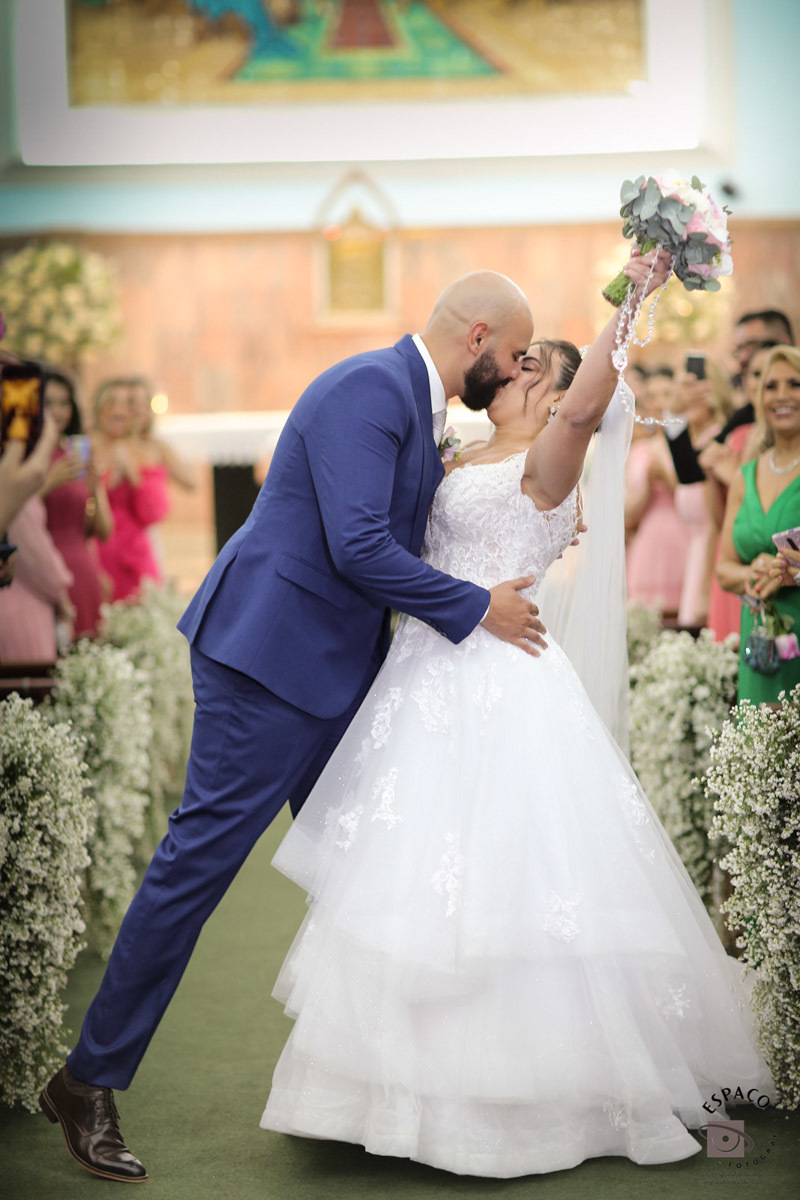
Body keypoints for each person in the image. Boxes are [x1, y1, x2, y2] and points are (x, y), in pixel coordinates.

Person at [259, 250, 773, 1176]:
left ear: (563, 396)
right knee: (409, 885)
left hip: (502, 681)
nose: (517, 368)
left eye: (536, 364)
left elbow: (584, 407)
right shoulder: (457, 454)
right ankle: (378, 1096)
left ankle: (524, 1095)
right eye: (518, 356)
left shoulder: (550, 462)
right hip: (421, 681)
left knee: (510, 884)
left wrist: (633, 295)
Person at [40, 271, 548, 1183]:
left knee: (373, 867)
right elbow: (359, 545)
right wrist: (477, 607)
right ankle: (87, 1080)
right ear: (477, 336)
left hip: (335, 667)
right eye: (512, 355)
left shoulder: (416, 401)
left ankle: (376, 1088)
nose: (512, 372)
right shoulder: (370, 387)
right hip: (269, 659)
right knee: (198, 866)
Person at [717, 345, 800, 705]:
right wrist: (751, 572)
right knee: (757, 732)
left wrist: (792, 572)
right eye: (771, 386)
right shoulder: (745, 476)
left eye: (794, 384)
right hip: (758, 642)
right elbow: (724, 569)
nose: (782, 395)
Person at [39, 370, 112, 637]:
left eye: (64, 403)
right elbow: (16, 516)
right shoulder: (24, 456)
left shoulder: (75, 453)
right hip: (43, 567)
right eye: (48, 402)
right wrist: (51, 481)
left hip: (82, 566)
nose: (57, 411)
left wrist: (95, 488)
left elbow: (103, 531)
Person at [91, 379, 171, 602]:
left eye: (127, 404)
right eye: (111, 402)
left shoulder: (144, 452)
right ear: (99, 408)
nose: (118, 409)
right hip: (94, 553)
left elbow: (154, 513)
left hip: (135, 557)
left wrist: (133, 474)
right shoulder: (85, 448)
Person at [670, 359, 733, 626]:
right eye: (681, 389)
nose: (687, 398)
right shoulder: (692, 444)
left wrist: (706, 589)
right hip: (694, 559)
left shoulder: (718, 441)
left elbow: (717, 522)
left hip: (713, 560)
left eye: (694, 390)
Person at [625, 383, 689, 617]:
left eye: (666, 394)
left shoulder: (686, 447)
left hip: (684, 536)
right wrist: (646, 487)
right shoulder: (638, 451)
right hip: (649, 540)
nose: (659, 402)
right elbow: (628, 514)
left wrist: (668, 480)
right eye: (653, 396)